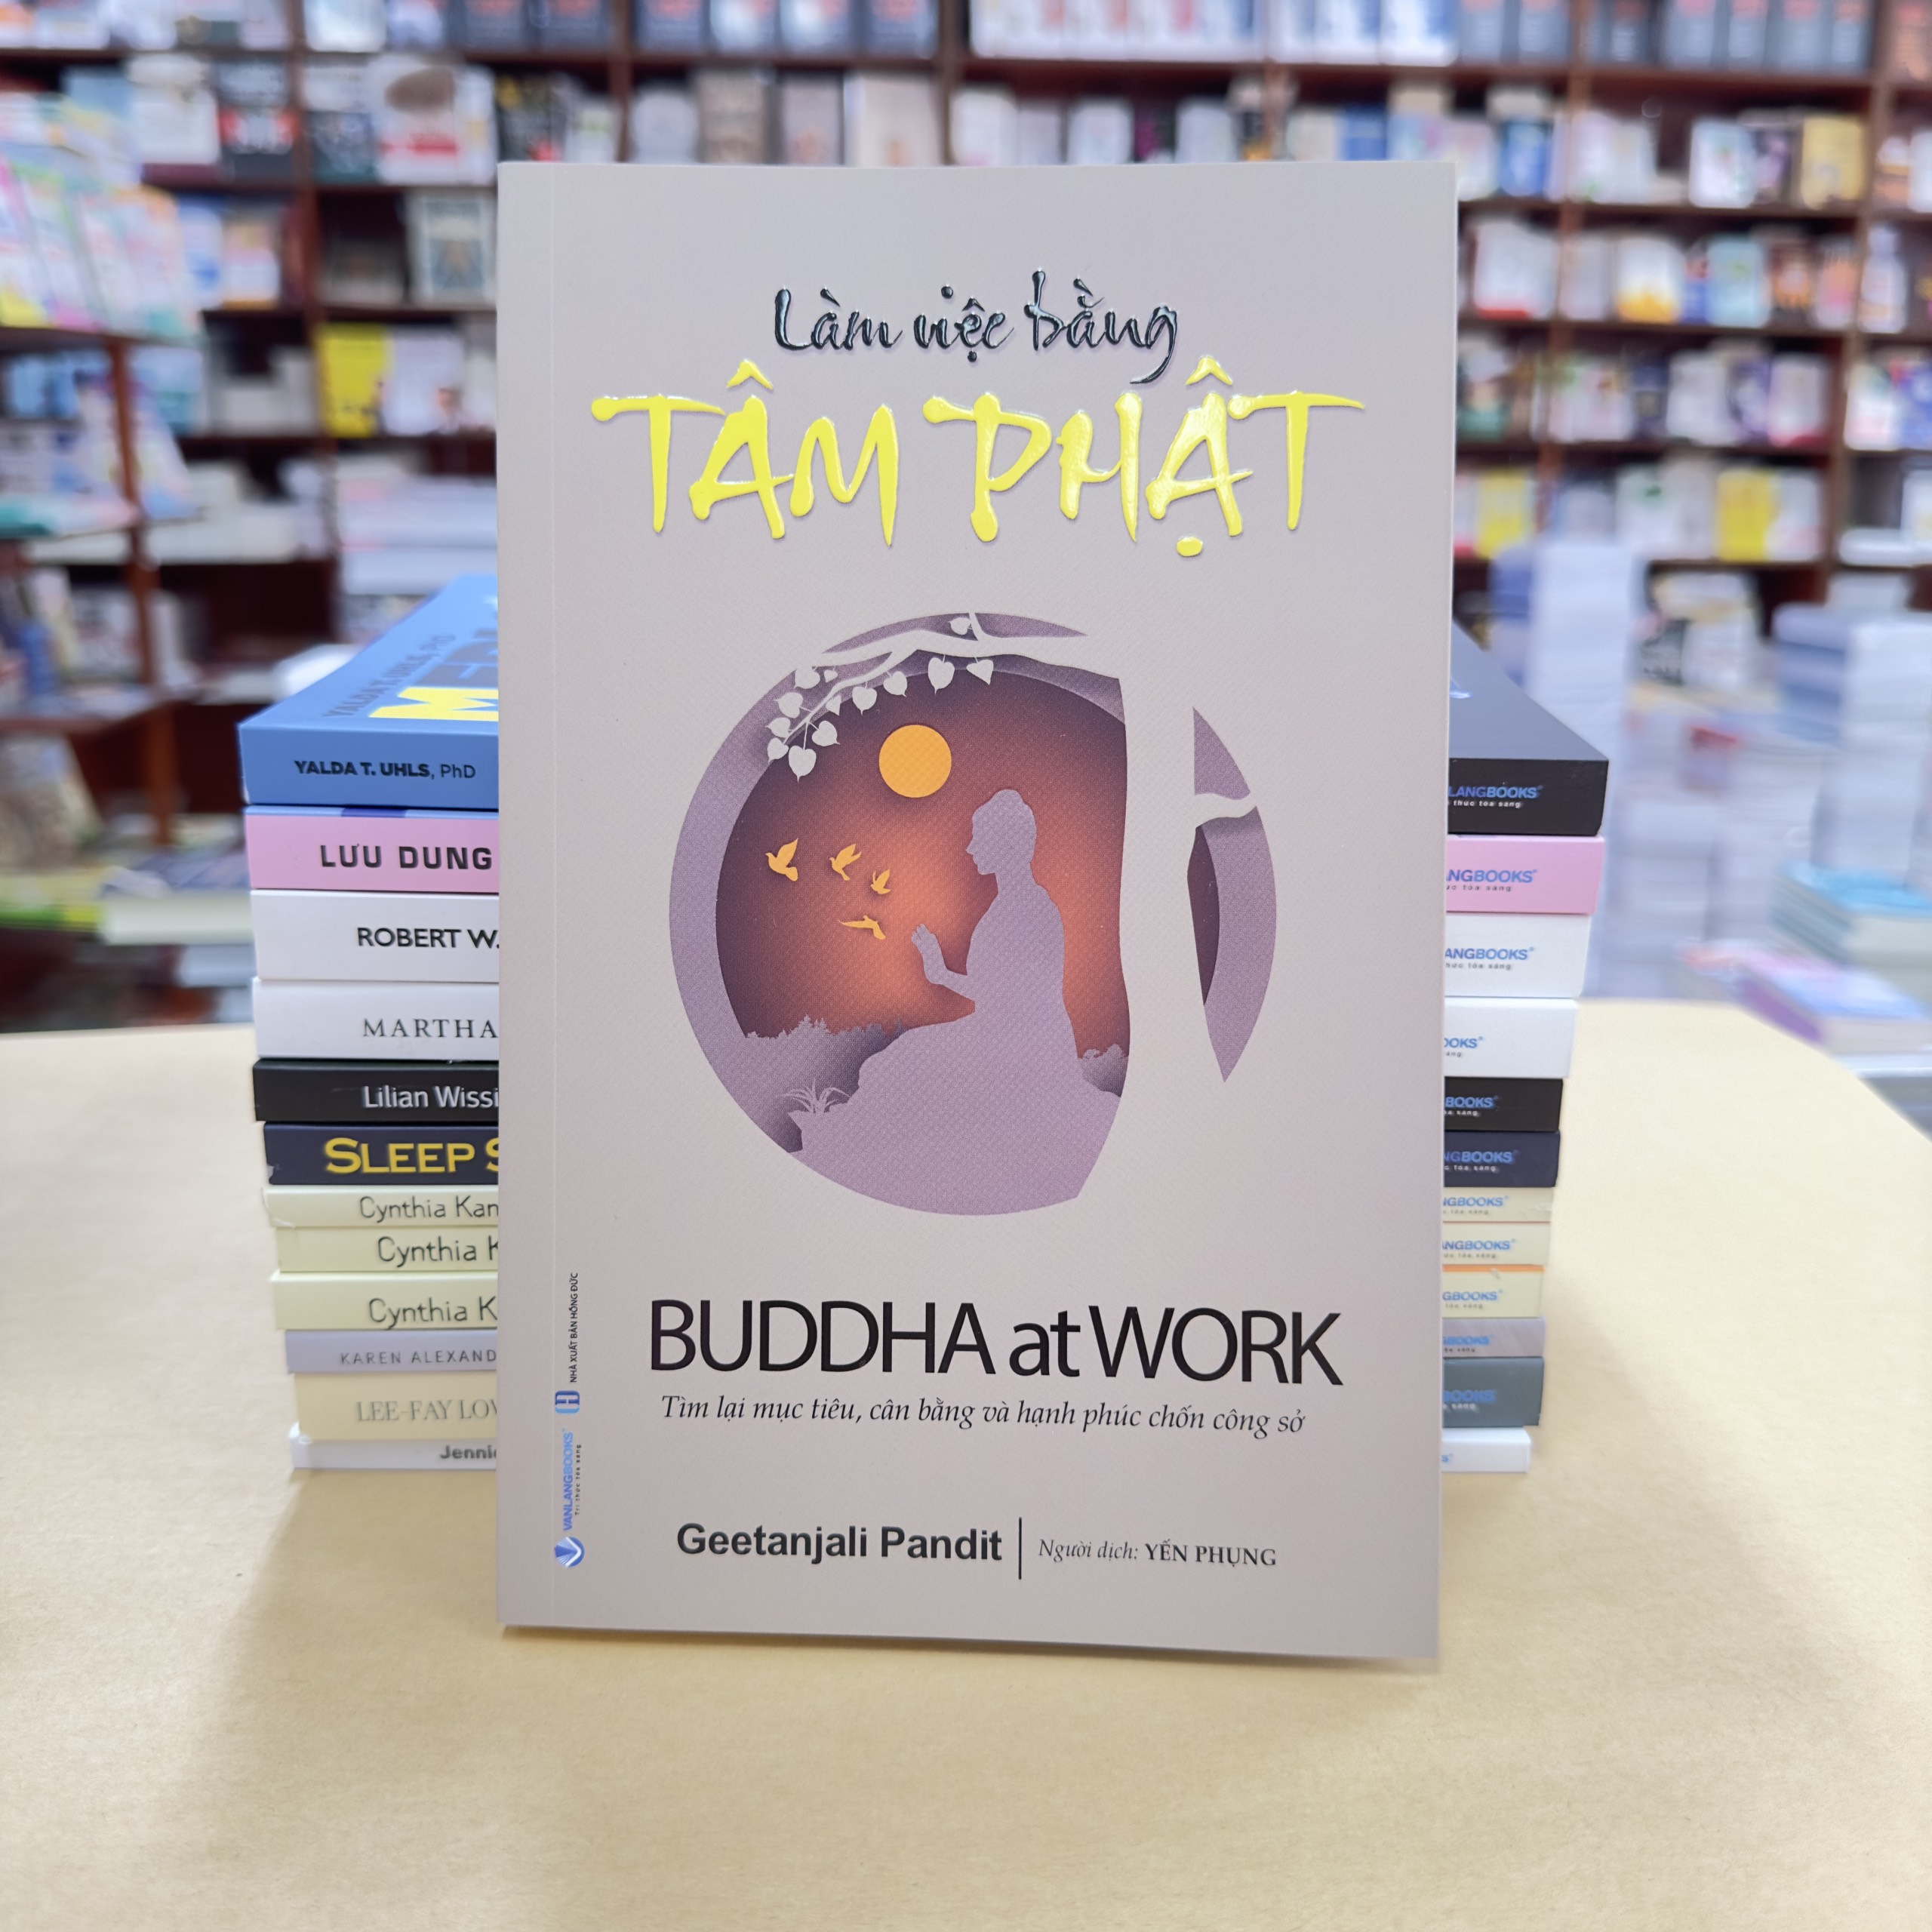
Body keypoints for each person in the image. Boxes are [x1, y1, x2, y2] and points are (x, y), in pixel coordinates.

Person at [794, 789, 1120, 1215]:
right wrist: (940, 972)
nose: (969, 848)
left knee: (901, 1062)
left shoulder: (1027, 909)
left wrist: (941, 973)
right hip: (1007, 1035)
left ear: (1003, 844)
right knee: (896, 1061)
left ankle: (869, 1162)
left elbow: (1014, 996)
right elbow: (999, 990)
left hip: (1022, 1046)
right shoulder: (1012, 904)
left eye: (978, 837)